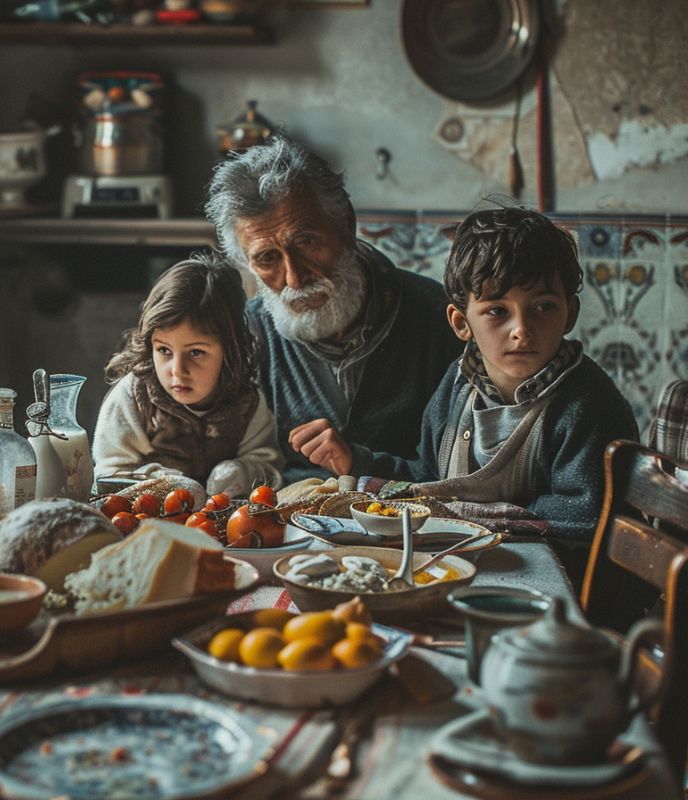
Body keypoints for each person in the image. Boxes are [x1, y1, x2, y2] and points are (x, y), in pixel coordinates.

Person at [294, 206, 638, 548]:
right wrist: (356, 460)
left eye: (543, 306)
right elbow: (429, 480)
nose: (522, 329)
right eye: (497, 311)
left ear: (570, 314)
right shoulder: (458, 386)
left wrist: (465, 516)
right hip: (466, 558)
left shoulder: (585, 404)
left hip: (553, 577)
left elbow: (583, 517)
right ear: (461, 323)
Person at [205, 136, 463, 484]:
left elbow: (460, 473)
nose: (294, 278)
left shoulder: (439, 318)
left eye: (306, 242)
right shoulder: (247, 334)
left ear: (346, 224)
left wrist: (361, 463)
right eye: (267, 258)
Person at [92, 254, 284, 495]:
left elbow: (269, 462)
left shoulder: (248, 401)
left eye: (196, 352)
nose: (177, 369)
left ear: (230, 350)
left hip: (224, 525)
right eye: (164, 350)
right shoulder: (134, 398)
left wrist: (242, 471)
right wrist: (162, 483)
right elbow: (109, 473)